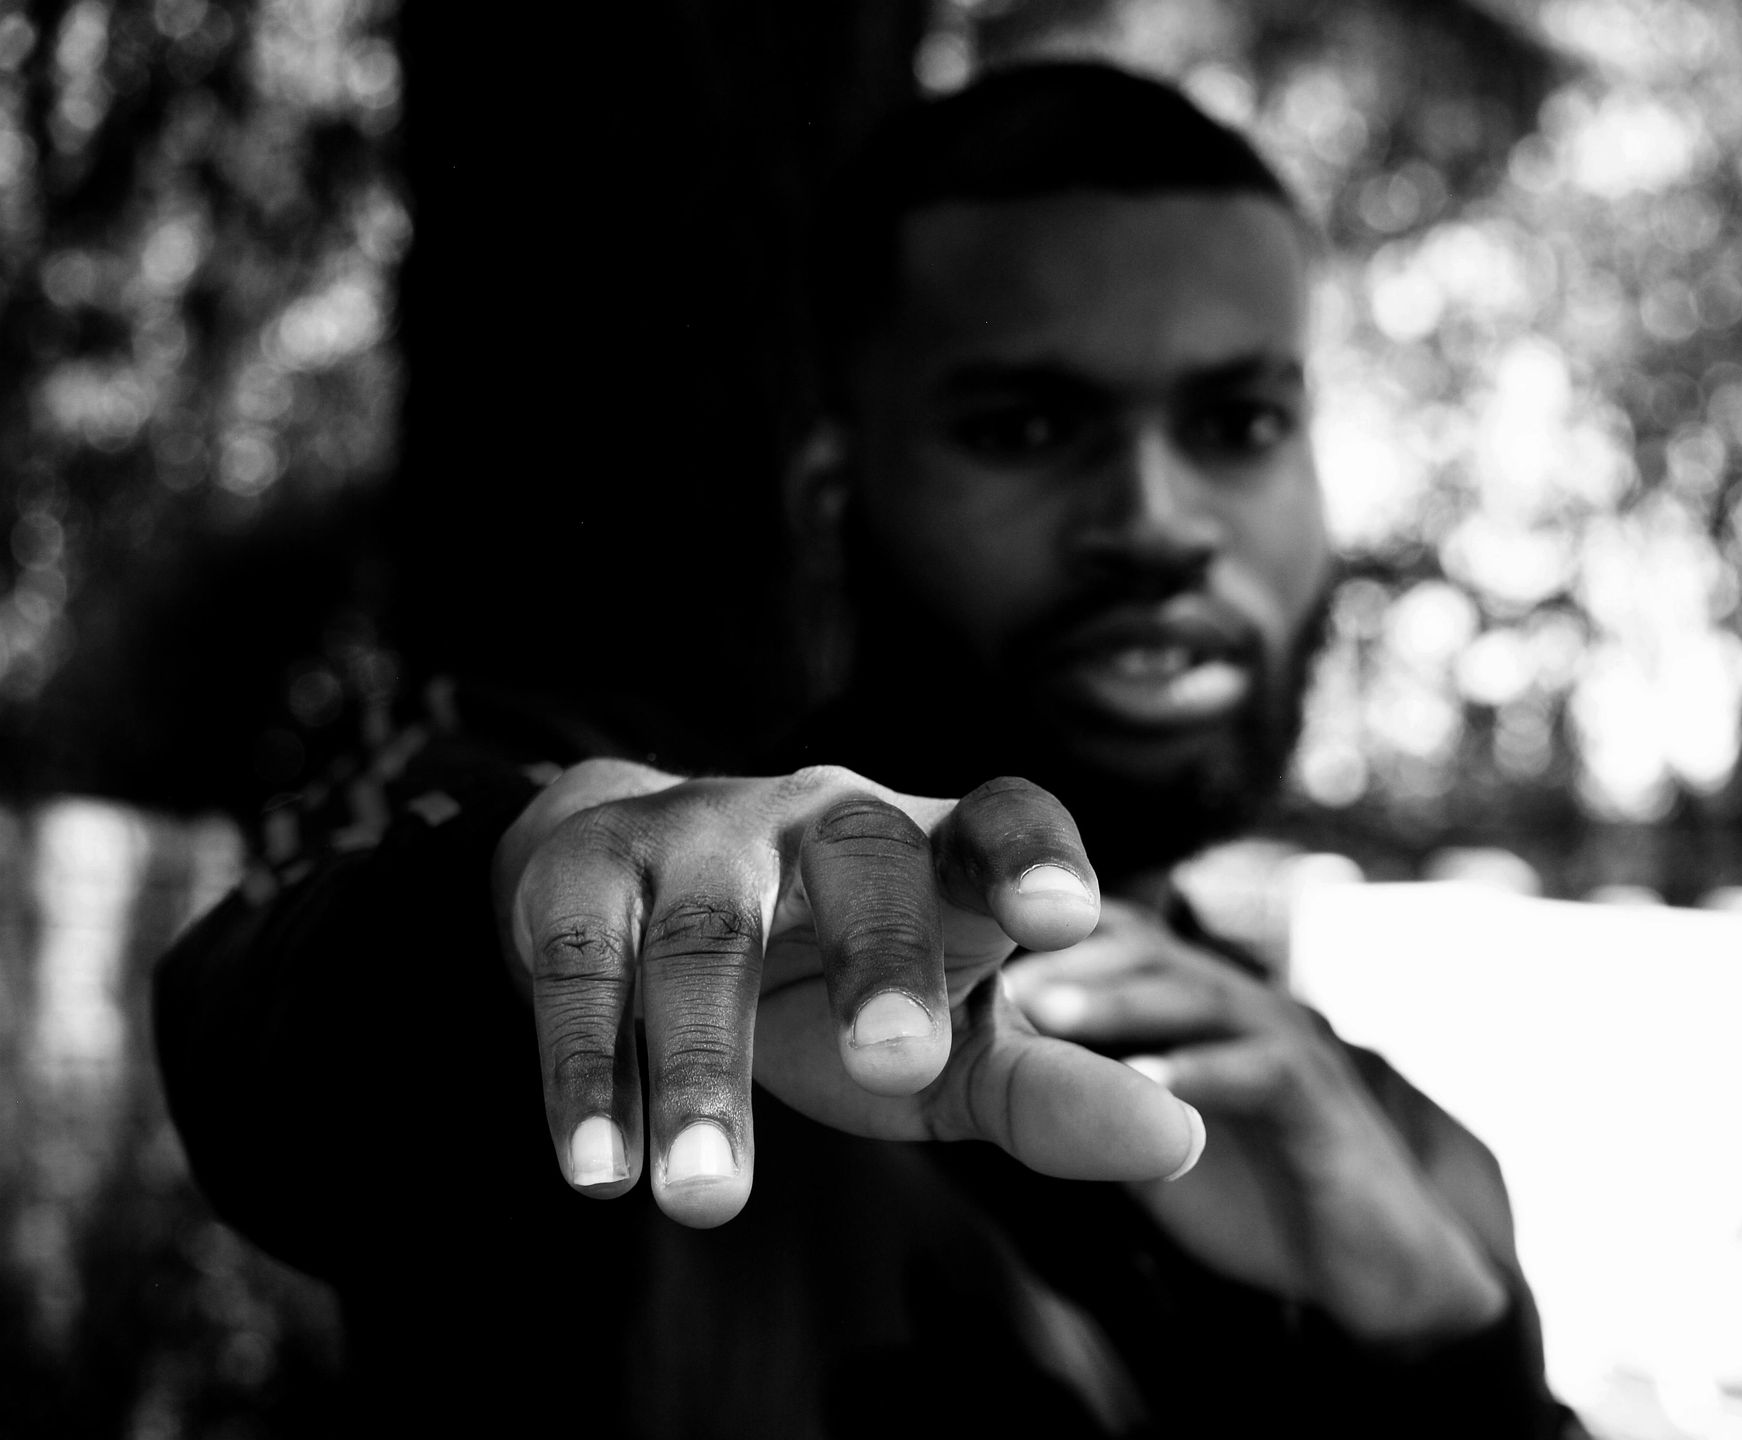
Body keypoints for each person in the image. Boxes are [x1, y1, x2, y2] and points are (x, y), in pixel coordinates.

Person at [155, 63, 1587, 1437]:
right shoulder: (674, 964)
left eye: (1240, 422)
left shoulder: (1408, 1159)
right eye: (1027, 426)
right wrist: (536, 899)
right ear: (835, 496)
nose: (1157, 520)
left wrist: (1453, 1354)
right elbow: (279, 1031)